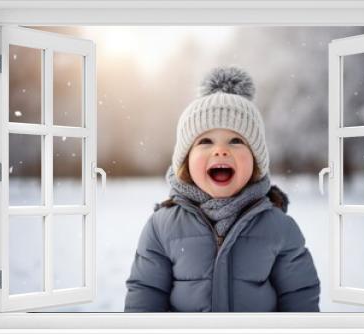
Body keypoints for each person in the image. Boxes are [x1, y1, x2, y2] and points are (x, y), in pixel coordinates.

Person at [124, 66, 320, 312]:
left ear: (256, 161)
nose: (220, 150)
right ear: (185, 161)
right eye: (205, 141)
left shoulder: (279, 227)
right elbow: (146, 294)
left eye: (236, 141)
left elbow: (299, 297)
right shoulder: (162, 227)